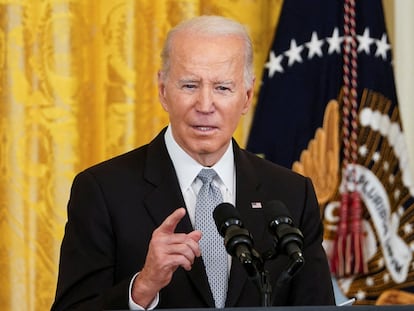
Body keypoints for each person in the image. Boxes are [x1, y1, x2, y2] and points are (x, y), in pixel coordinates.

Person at [51, 15, 335, 310]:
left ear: (247, 96)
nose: (205, 105)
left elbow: (316, 304)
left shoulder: (291, 193)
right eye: (189, 86)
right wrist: (143, 286)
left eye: (223, 88)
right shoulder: (102, 191)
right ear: (163, 91)